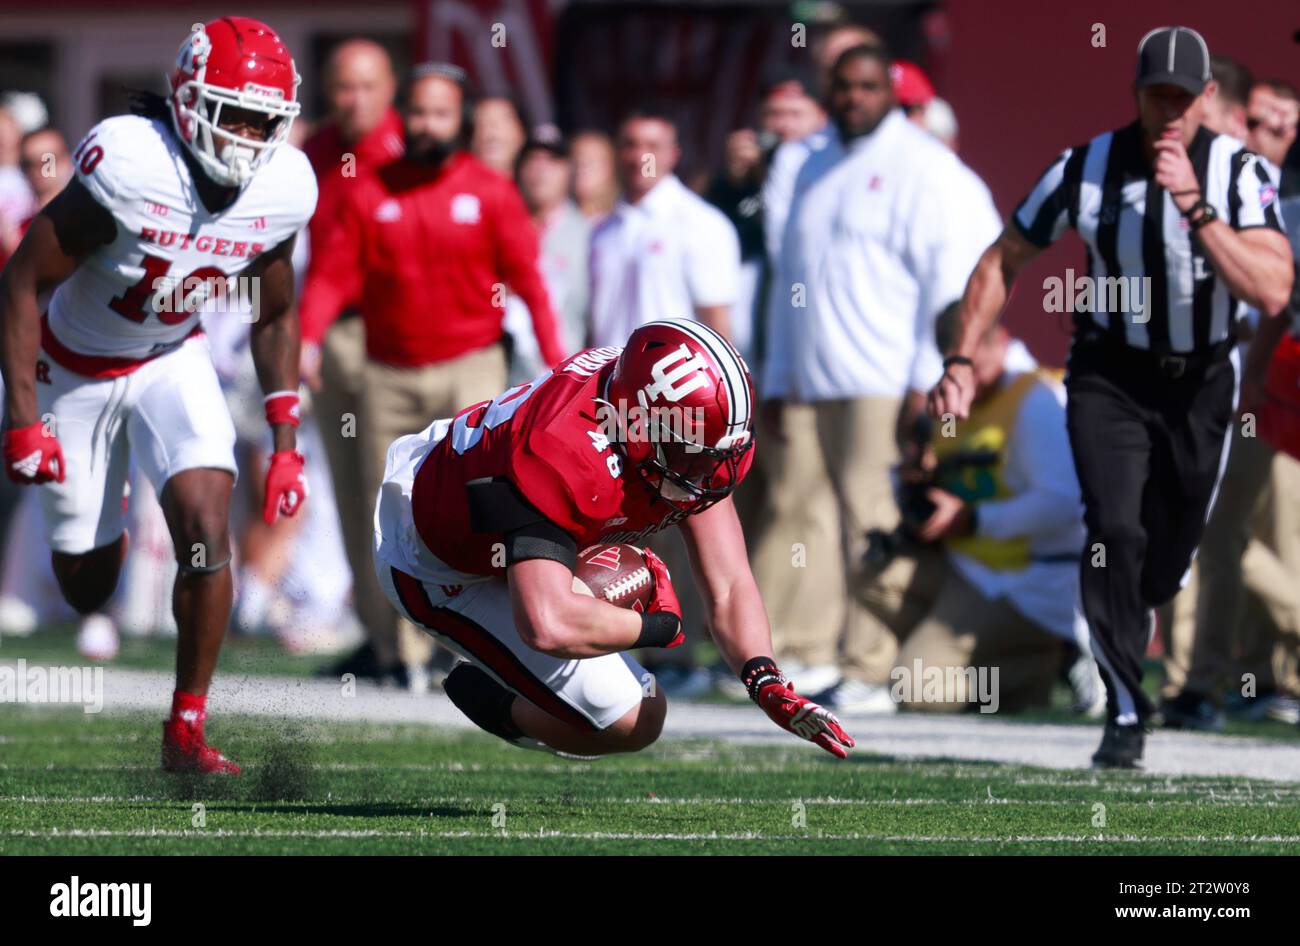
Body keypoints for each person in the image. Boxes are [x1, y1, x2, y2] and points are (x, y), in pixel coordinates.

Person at [928, 26, 1293, 768]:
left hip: (1200, 378)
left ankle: (1145, 604)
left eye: (1182, 99)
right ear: (1135, 94)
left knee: (1163, 559)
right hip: (1110, 374)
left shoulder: (1236, 170)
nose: (1168, 112)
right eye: (1155, 96)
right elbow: (1006, 257)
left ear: (1208, 99)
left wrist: (1193, 208)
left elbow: (1275, 286)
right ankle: (1126, 707)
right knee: (1113, 530)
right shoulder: (1085, 166)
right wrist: (963, 358)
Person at [0, 17, 318, 773]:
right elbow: (20, 281)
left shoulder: (282, 187)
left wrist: (284, 443)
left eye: (264, 120)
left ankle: (185, 729)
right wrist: (20, 422)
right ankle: (99, 514)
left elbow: (274, 311)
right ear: (185, 99)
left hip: (172, 358)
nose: (247, 137)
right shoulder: (133, 165)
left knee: (208, 528)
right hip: (70, 369)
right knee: (85, 587)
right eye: (233, 113)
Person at [372, 317, 854, 759]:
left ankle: (512, 675)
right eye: (694, 455)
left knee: (642, 712)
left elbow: (728, 582)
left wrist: (764, 680)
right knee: (627, 718)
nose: (710, 471)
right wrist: (660, 628)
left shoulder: (670, 429)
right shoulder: (562, 453)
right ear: (641, 426)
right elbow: (547, 624)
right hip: (436, 557)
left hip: (513, 510)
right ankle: (499, 700)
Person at [298, 62, 567, 690]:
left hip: (472, 366)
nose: (425, 124)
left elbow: (529, 282)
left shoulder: (492, 192)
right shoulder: (370, 189)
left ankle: (483, 643)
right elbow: (333, 274)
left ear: (461, 121)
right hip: (387, 371)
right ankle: (399, 655)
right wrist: (308, 338)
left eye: (439, 113)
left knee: (480, 509)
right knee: (382, 507)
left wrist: (556, 364)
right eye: (417, 112)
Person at [758, 44, 1001, 714]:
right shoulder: (810, 163)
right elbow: (791, 281)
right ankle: (810, 651)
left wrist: (929, 377)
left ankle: (871, 664)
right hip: (812, 378)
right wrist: (778, 375)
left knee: (872, 521)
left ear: (890, 94)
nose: (854, 99)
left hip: (882, 377)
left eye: (867, 87)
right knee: (808, 522)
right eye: (843, 87)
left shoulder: (920, 167)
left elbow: (947, 281)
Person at [861, 316, 1099, 715]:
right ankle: (1003, 665)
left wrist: (974, 520)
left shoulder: (1033, 400)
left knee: (918, 689)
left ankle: (1044, 661)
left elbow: (1065, 504)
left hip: (1027, 578)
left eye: (981, 349)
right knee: (869, 569)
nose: (972, 364)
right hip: (969, 567)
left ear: (1003, 342)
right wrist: (915, 481)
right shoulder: (948, 405)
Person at [502, 126, 591, 383]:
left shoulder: (591, 235)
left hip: (567, 381)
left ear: (568, 171)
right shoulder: (498, 230)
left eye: (552, 161)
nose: (541, 169)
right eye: (532, 160)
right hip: (503, 381)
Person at [570, 130, 619, 220]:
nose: (581, 168)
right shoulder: (556, 217)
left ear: (609, 169)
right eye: (576, 161)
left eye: (591, 161)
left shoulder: (621, 218)